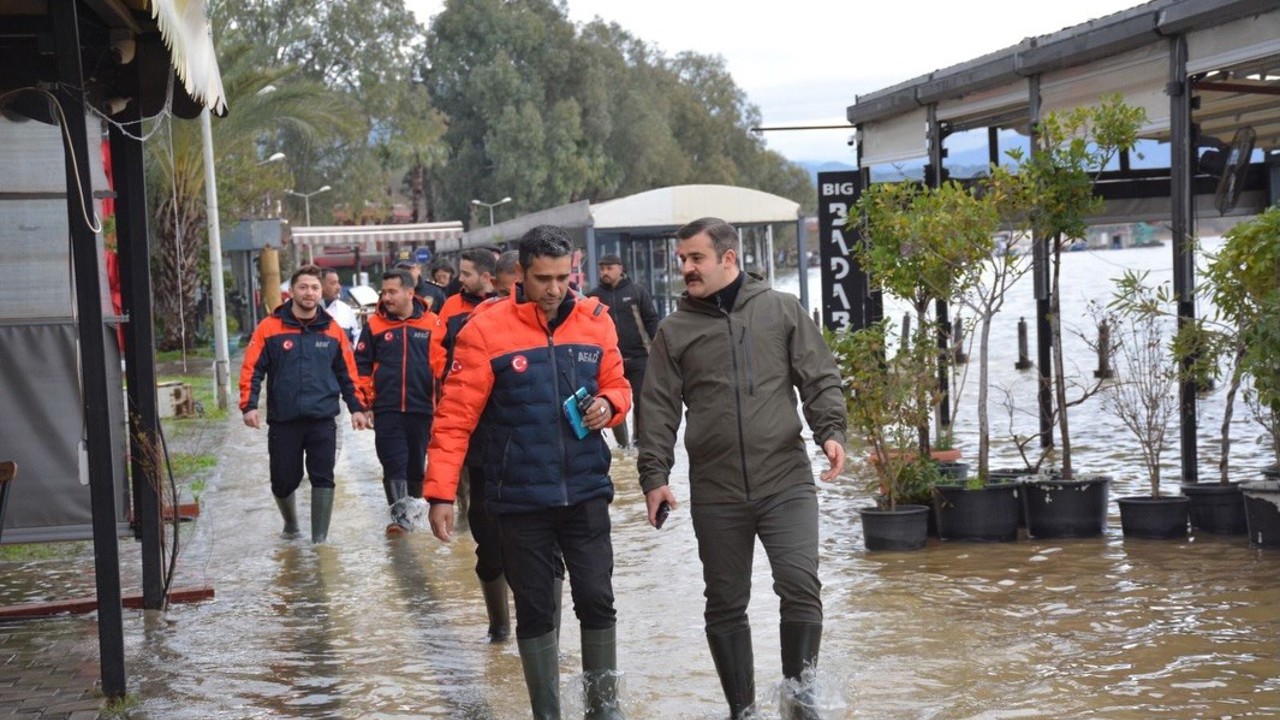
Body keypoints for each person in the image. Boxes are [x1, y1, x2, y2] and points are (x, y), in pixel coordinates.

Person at [637, 218, 847, 720]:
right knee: (725, 602)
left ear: (728, 258)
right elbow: (658, 409)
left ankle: (799, 704)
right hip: (716, 488)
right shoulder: (674, 330)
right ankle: (743, 711)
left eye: (695, 258)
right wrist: (655, 477)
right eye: (682, 259)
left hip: (786, 479)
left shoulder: (779, 309)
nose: (685, 268)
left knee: (800, 585)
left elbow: (818, 376)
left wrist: (831, 433)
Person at [424, 225, 631, 719]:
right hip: (517, 498)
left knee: (598, 599)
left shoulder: (596, 321)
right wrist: (441, 494)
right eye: (543, 278)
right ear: (520, 273)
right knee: (537, 610)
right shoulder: (483, 330)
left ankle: (604, 711)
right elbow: (454, 420)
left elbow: (618, 384)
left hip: (585, 489)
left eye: (563, 277)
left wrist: (610, 404)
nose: (555, 289)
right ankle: (547, 713)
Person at [239, 265, 371, 544]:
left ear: (321, 291)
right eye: (303, 287)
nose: (309, 293)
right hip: (284, 420)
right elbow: (252, 369)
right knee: (283, 480)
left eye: (314, 288)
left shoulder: (333, 331)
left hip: (323, 419)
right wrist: (249, 405)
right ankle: (291, 525)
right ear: (292, 292)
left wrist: (357, 408)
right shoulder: (269, 328)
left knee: (323, 477)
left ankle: (319, 544)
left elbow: (348, 373)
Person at [353, 268, 443, 529]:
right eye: (384, 292)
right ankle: (400, 519)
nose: (386, 297)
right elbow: (361, 367)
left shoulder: (433, 323)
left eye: (392, 292)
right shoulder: (374, 326)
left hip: (423, 407)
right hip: (387, 408)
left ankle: (413, 513)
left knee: (416, 464)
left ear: (409, 292)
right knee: (393, 461)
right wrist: (365, 404)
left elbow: (445, 367)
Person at [587, 253, 659, 449]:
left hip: (639, 356)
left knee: (642, 400)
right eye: (602, 269)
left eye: (609, 268)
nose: (605, 273)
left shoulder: (637, 291)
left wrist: (659, 347)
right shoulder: (594, 297)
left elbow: (651, 320)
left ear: (620, 268)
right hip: (610, 359)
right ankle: (623, 445)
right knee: (613, 401)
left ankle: (639, 443)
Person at [320, 268, 361, 346]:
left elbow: (356, 337)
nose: (339, 287)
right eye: (333, 283)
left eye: (338, 282)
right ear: (320, 286)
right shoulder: (309, 311)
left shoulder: (346, 310)